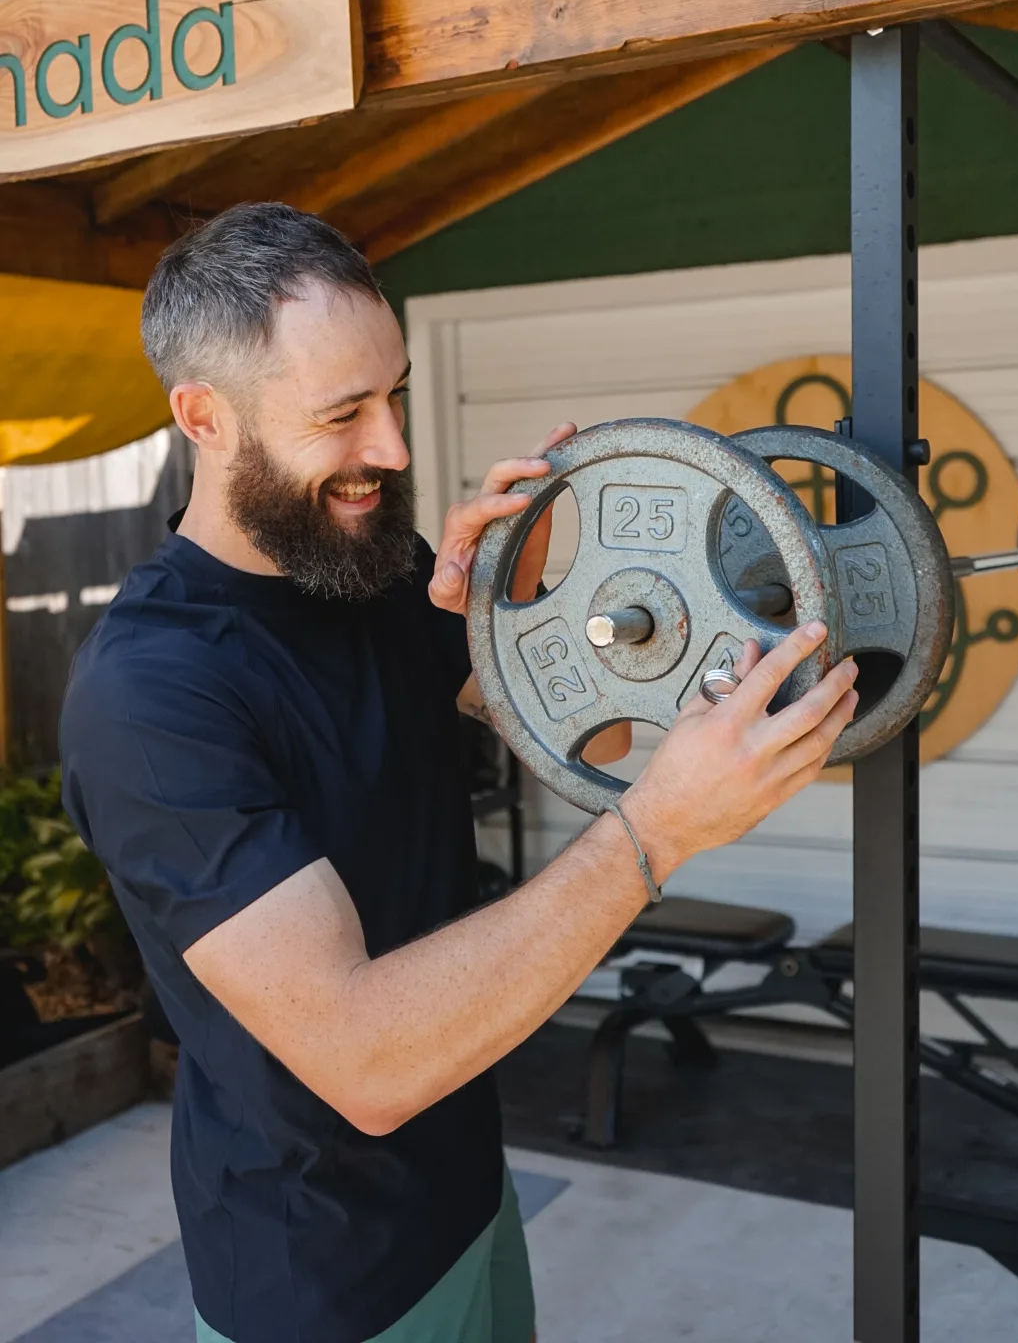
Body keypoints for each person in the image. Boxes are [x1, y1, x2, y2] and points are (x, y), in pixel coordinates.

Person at [60, 203, 858, 1343]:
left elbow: (581, 733)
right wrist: (659, 833)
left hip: (467, 1193)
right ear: (207, 417)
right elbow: (367, 1057)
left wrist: (535, 613)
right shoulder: (151, 696)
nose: (391, 445)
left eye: (394, 392)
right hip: (319, 1279)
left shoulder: (373, 566)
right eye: (345, 413)